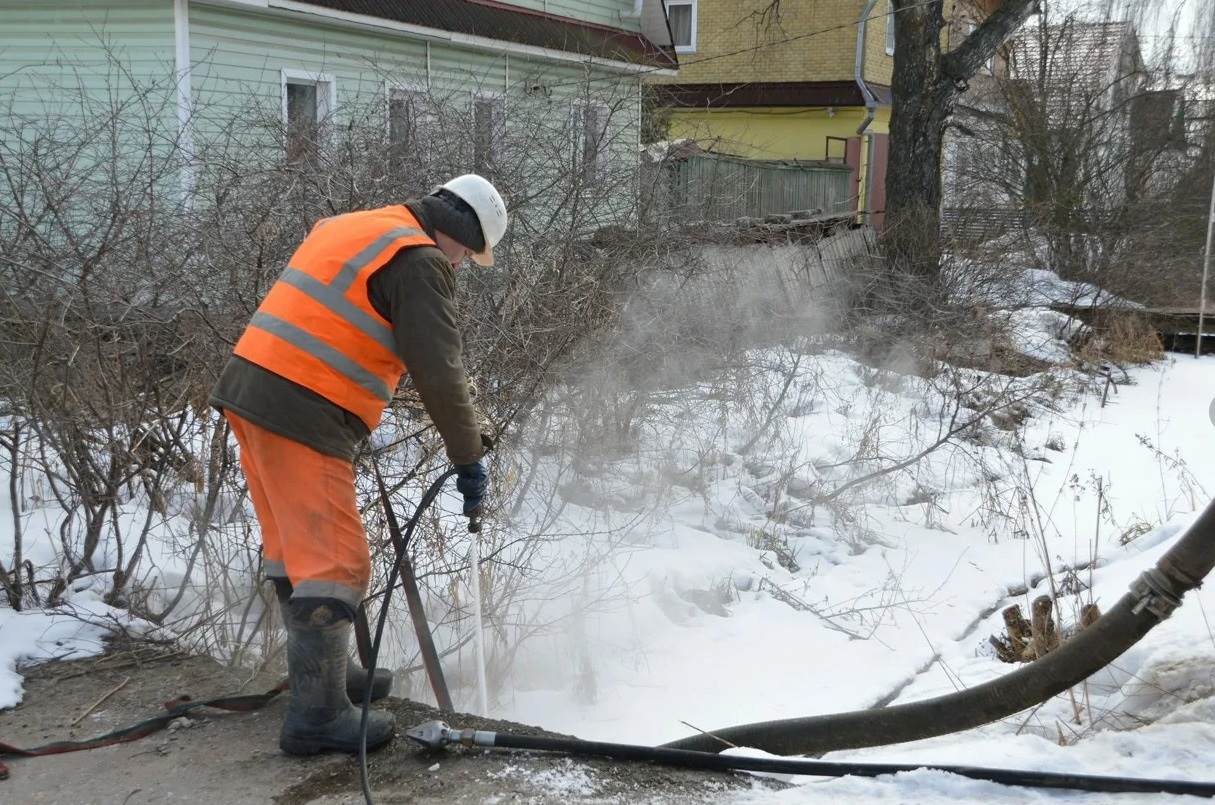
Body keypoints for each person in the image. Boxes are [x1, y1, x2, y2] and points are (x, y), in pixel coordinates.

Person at [209, 174, 507, 756]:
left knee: (294, 547)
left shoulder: (359, 224)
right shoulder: (419, 261)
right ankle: (317, 718)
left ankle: (327, 677)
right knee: (337, 561)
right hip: (303, 403)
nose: (463, 266)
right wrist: (470, 456)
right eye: (468, 255)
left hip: (249, 389)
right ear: (460, 234)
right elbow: (440, 373)